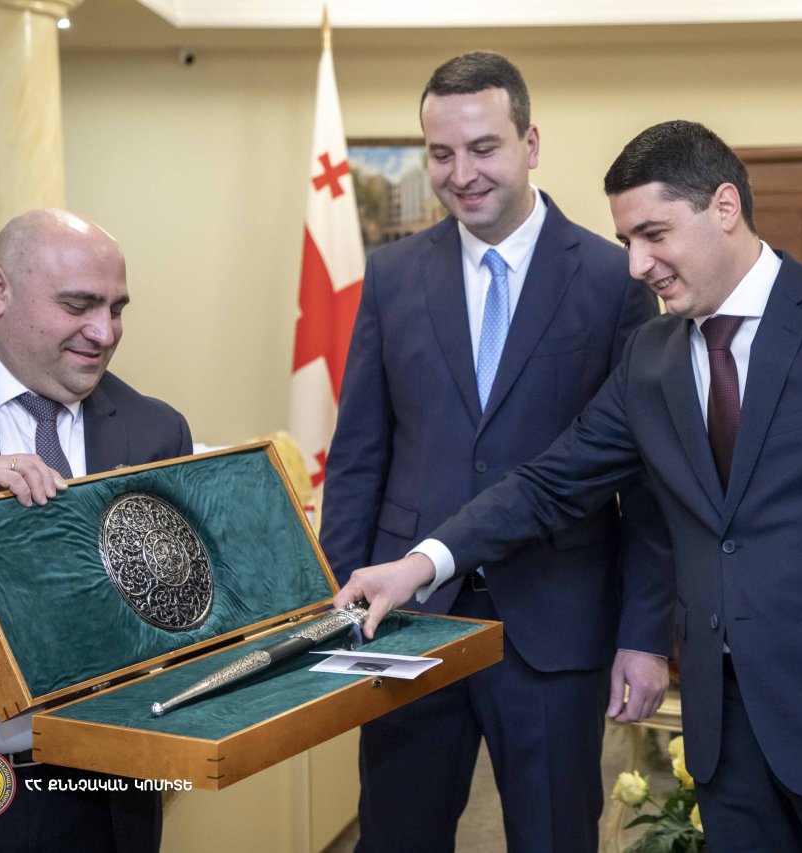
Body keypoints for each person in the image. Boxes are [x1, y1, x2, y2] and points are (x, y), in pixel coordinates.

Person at [335, 121, 802, 853]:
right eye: (626, 240)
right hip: (727, 743)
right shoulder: (652, 358)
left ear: (724, 207)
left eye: (654, 234)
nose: (637, 264)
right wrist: (419, 564)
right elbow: (547, 484)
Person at [319, 52, 672, 853]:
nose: (462, 173)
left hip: (556, 623)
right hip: (405, 622)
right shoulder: (392, 275)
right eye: (441, 154)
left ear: (530, 143)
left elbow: (646, 482)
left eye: (483, 148)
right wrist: (334, 606)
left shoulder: (613, 279)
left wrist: (645, 633)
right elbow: (360, 455)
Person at [0, 209, 192, 853]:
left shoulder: (156, 430)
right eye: (78, 305)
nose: (103, 332)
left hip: (103, 798)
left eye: (116, 309)